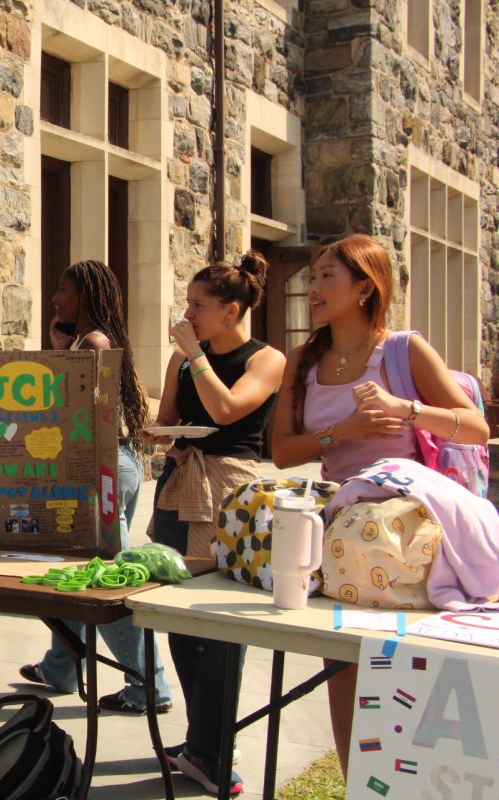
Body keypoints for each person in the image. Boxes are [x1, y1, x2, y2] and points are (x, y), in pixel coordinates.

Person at [271, 234, 487, 778]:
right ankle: (356, 783)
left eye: (327, 277)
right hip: (341, 535)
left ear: (365, 287)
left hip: (410, 539)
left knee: (413, 669)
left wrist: (407, 409)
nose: (313, 288)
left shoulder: (403, 350)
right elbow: (280, 452)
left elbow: (478, 428)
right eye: (314, 275)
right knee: (342, 666)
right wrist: (338, 434)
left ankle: (416, 779)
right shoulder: (302, 360)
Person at [147, 252, 285, 796]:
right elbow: (171, 421)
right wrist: (155, 429)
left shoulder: (267, 358)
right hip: (182, 480)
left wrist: (192, 357)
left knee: (222, 619)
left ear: (231, 311)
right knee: (178, 612)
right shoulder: (185, 359)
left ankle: (212, 748)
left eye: (198, 306)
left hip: (232, 491)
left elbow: (228, 411)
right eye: (187, 304)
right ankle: (204, 739)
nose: (188, 314)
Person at [18, 261, 172, 717]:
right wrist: (60, 349)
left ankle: (149, 687)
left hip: (100, 467)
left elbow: (73, 411)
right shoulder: (89, 341)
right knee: (73, 572)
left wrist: (59, 357)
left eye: (62, 288)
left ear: (84, 294)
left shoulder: (97, 342)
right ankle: (59, 669)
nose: (55, 297)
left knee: (107, 584)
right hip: (104, 465)